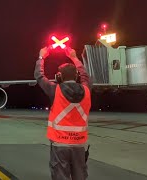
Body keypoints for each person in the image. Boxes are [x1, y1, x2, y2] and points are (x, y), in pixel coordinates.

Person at [34, 46, 92, 180]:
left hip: (59, 145)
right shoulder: (87, 90)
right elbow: (85, 76)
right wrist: (74, 57)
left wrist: (41, 57)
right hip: (79, 145)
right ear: (76, 76)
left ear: (58, 77)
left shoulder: (55, 90)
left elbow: (39, 75)